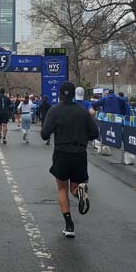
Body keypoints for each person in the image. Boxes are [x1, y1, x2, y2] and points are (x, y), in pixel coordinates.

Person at [41, 81, 99, 238]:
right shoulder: (83, 111)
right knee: (74, 187)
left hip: (62, 151)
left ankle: (69, 225)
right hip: (80, 152)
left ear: (59, 94)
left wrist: (56, 130)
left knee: (62, 189)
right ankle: (80, 192)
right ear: (74, 94)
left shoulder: (54, 111)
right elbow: (95, 133)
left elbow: (44, 134)